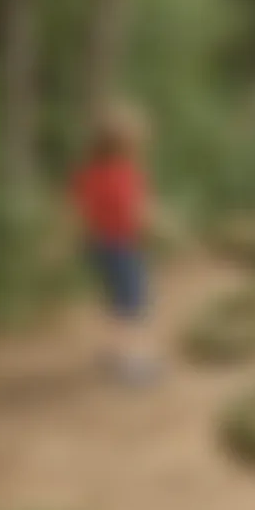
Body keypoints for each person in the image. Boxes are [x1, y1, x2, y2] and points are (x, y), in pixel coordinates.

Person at [70, 101, 164, 387]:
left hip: (98, 245)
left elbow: (78, 209)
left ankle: (113, 353)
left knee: (114, 301)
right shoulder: (127, 173)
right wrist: (156, 226)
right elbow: (138, 211)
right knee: (133, 305)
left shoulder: (88, 172)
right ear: (126, 144)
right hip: (123, 245)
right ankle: (132, 363)